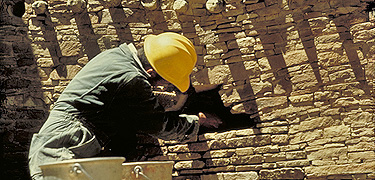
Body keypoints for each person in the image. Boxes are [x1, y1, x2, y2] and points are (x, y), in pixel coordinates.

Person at [28, 32, 222, 180]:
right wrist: (197, 121)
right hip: (62, 150)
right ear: (151, 72)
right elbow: (159, 126)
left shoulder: (117, 56)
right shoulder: (132, 79)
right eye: (166, 82)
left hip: (60, 142)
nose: (164, 87)